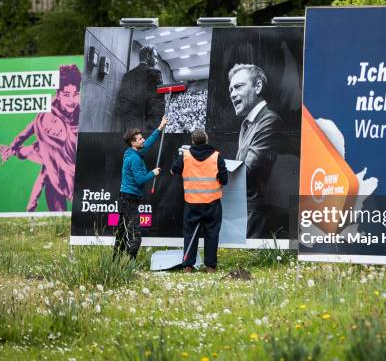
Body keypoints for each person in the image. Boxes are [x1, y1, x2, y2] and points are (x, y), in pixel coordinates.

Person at [0, 64, 81, 211]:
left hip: (69, 160)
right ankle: (19, 152)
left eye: (75, 94)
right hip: (51, 160)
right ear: (58, 93)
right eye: (66, 95)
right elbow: (30, 129)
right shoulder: (49, 113)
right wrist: (13, 146)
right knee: (38, 158)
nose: (71, 100)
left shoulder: (80, 112)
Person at [227, 63, 281, 238]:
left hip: (256, 222)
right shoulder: (247, 124)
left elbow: (247, 174)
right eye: (230, 90)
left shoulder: (270, 121)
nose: (232, 94)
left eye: (238, 87)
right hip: (244, 216)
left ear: (257, 86)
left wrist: (204, 159)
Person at [171, 129, 228, 272]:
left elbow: (173, 171)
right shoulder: (216, 156)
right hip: (212, 203)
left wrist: (180, 157)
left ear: (192, 141)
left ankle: (188, 266)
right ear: (206, 140)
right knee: (212, 233)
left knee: (190, 233)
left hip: (192, 202)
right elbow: (224, 180)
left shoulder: (186, 156)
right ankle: (210, 267)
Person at [113, 116, 168, 260]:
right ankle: (130, 265)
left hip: (127, 198)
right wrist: (153, 173)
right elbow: (139, 180)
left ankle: (115, 262)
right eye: (140, 139)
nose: (143, 140)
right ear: (133, 142)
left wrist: (159, 127)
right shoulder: (134, 158)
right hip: (129, 200)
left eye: (142, 137)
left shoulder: (134, 152)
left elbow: (148, 144)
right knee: (135, 235)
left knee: (122, 233)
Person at [115, 45, 163, 131]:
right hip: (147, 127)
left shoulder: (128, 75)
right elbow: (158, 103)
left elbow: (121, 101)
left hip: (129, 127)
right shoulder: (155, 73)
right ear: (148, 56)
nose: (156, 61)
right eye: (155, 57)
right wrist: (157, 128)